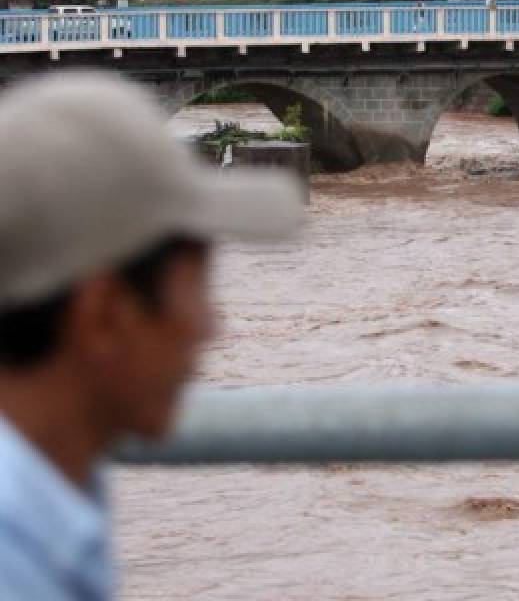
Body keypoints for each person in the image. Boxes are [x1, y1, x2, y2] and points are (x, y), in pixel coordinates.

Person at [0, 72, 303, 600]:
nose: (212, 327)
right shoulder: (17, 561)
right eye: (196, 289)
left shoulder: (51, 507)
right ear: (105, 314)